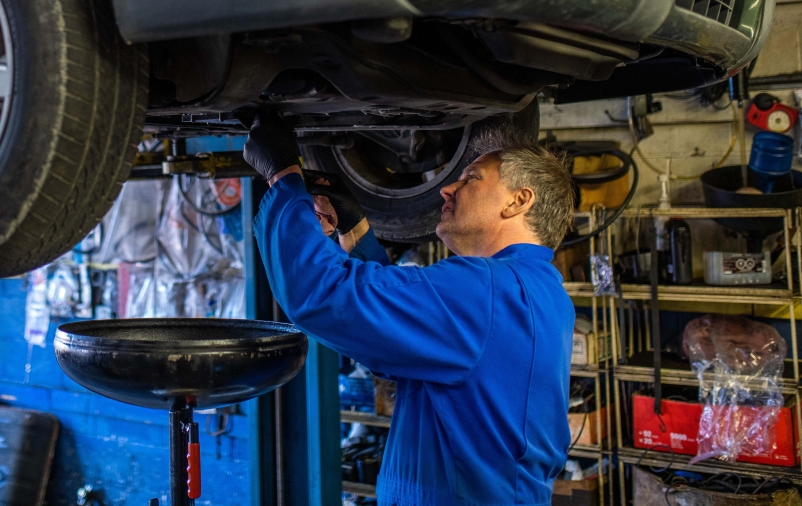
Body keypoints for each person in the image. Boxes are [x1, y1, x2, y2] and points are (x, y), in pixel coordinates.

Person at [243, 112, 577, 506]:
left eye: (471, 177)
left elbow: (324, 294)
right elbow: (402, 340)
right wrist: (356, 232)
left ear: (519, 201)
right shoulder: (539, 291)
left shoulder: (488, 289)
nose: (446, 189)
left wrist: (283, 178)